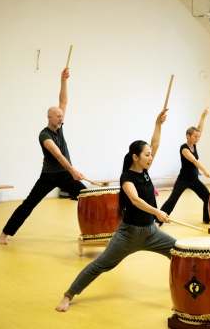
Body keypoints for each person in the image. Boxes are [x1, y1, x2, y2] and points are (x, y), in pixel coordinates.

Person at [55, 109, 174, 312]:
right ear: (135, 157)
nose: (151, 157)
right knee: (100, 264)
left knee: (180, 252)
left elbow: (155, 144)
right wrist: (157, 212)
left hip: (150, 233)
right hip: (128, 235)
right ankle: (68, 295)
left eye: (151, 155)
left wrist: (158, 124)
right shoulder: (127, 177)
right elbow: (135, 200)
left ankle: (184, 288)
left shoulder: (145, 172)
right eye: (147, 155)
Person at [0, 68, 86, 245]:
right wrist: (73, 170)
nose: (61, 118)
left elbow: (63, 100)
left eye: (62, 115)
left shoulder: (59, 127)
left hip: (65, 175)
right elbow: (59, 156)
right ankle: (4, 235)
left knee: (89, 196)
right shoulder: (44, 135)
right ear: (49, 117)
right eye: (58, 116)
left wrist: (63, 80)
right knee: (28, 204)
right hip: (49, 176)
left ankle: (95, 231)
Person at [158, 107, 210, 224]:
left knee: (208, 197)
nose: (197, 138)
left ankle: (207, 219)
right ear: (188, 136)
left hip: (194, 179)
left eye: (198, 137)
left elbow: (200, 129)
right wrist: (205, 171)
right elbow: (194, 161)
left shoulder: (194, 144)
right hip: (183, 179)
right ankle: (158, 220)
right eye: (195, 136)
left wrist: (203, 116)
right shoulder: (184, 148)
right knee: (172, 200)